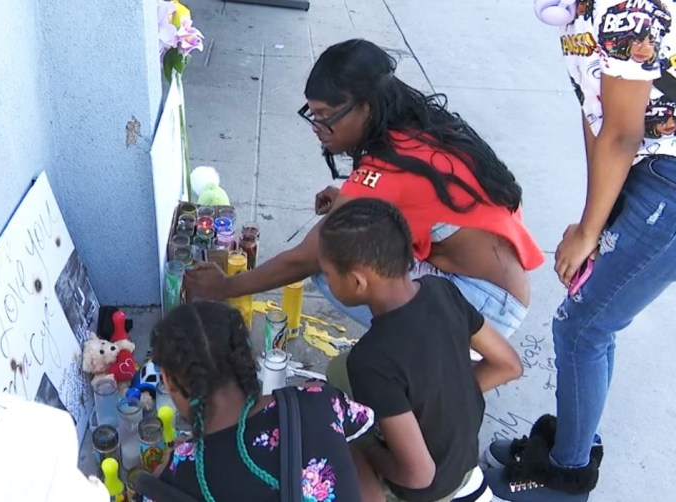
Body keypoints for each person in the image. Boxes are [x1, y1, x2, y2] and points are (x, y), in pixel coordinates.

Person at [484, 1, 676, 500]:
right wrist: (593, 217)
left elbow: (620, 133)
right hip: (657, 166)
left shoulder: (625, 10)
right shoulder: (584, 8)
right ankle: (570, 446)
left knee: (583, 327)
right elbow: (597, 112)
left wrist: (590, 230)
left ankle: (565, 476)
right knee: (590, 321)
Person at [186, 39, 544, 341]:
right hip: (501, 287)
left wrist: (225, 287)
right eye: (312, 113)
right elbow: (407, 199)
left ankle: (424, 353)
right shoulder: (417, 129)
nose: (317, 126)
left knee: (333, 259)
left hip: (485, 306)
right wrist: (350, 198)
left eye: (325, 114)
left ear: (366, 107)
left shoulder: (388, 173)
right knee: (359, 237)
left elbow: (306, 256)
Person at [318, 198, 524, 502]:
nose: (327, 281)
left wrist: (364, 446)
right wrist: (448, 398)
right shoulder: (442, 291)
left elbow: (419, 476)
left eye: (329, 274)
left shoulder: (370, 361)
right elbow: (509, 365)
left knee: (334, 435)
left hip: (428, 491)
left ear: (358, 280)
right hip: (462, 463)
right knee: (338, 370)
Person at [148, 301, 376, 501]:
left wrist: (166, 474)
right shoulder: (320, 401)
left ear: (168, 381)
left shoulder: (177, 477)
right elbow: (361, 424)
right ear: (248, 357)